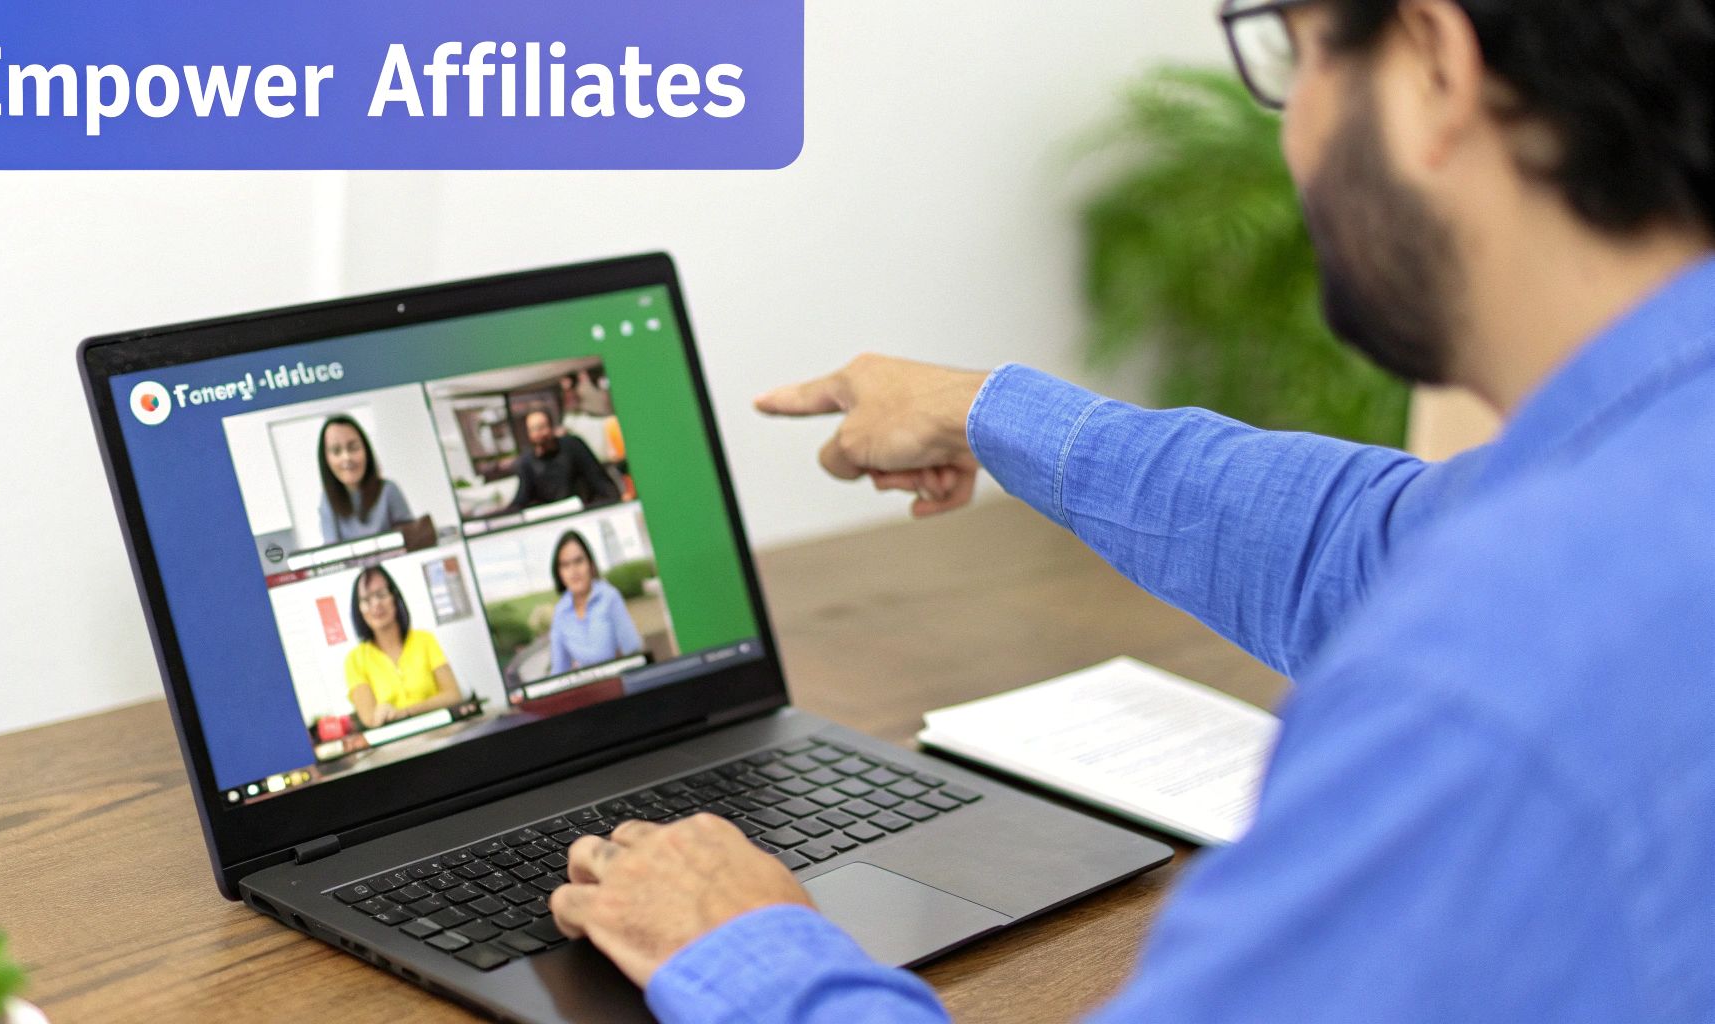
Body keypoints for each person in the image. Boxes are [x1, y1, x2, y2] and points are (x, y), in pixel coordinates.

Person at [544, 1, 1715, 1021]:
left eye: (1293, 52)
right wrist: (984, 411)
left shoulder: (1482, 688)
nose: (1292, 127)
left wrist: (744, 951)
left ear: (1432, 66)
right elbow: (1362, 543)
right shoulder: (1641, 466)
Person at [342, 565, 464, 728]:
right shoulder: (354, 660)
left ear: (395, 597)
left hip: (443, 733)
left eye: (381, 594)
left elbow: (453, 695)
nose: (376, 604)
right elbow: (369, 718)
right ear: (358, 609)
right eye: (366, 599)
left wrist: (405, 712)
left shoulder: (425, 640)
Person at [545, 530, 643, 677]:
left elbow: (633, 651)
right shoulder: (560, 612)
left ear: (590, 564)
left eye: (578, 561)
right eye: (565, 565)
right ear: (559, 572)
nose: (573, 571)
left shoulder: (609, 597)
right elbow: (559, 671)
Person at [501, 409, 621, 514]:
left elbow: (598, 479)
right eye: (533, 429)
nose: (539, 434)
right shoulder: (527, 462)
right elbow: (522, 497)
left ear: (551, 427)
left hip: (583, 511)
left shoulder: (572, 446)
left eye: (542, 427)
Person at [317, 415, 414, 543]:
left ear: (366, 450)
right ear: (326, 460)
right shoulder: (327, 501)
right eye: (336, 451)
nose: (346, 457)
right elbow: (331, 554)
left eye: (353, 448)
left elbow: (412, 541)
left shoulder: (389, 490)